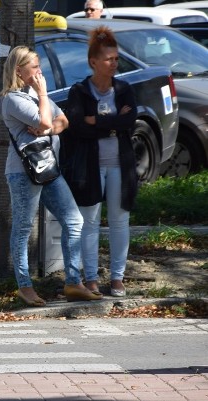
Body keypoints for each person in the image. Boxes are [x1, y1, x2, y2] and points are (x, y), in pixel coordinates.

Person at [0, 46, 101, 305]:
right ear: (19, 71)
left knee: (74, 221)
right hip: (24, 172)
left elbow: (62, 120)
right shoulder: (13, 99)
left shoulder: (36, 95)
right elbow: (45, 120)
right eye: (34, 67)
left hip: (49, 169)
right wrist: (44, 105)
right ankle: (25, 286)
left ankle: (73, 282)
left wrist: (45, 129)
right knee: (22, 228)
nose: (40, 72)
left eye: (39, 66)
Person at [63, 27, 137, 298]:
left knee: (120, 221)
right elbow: (78, 127)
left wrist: (99, 122)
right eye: (109, 59)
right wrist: (113, 125)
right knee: (89, 222)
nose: (114, 63)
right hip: (90, 167)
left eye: (116, 59)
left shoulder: (125, 89)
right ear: (94, 62)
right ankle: (91, 278)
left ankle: (117, 278)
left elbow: (131, 121)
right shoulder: (80, 91)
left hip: (121, 163)